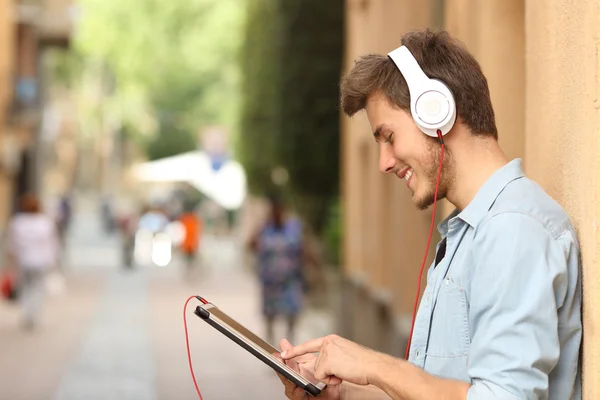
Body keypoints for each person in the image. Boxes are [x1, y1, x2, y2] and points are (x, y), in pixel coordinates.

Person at [277, 29, 582, 399]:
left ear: (435, 110)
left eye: (388, 137)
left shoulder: (513, 230)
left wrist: (376, 366)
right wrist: (342, 395)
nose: (384, 163)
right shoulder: (469, 233)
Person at [250, 195, 306, 345]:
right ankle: (271, 346)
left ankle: (290, 344)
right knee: (270, 316)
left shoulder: (293, 227)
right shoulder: (264, 228)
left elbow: (302, 248)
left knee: (292, 314)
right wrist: (260, 226)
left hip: (290, 280)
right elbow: (251, 244)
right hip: (270, 283)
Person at [6, 194, 61, 330]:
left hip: (24, 261)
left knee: (25, 288)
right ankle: (34, 315)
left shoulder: (18, 222)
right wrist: (53, 261)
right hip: (41, 261)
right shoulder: (45, 223)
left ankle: (26, 315)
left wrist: (12, 262)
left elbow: (12, 245)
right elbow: (53, 244)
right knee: (37, 288)